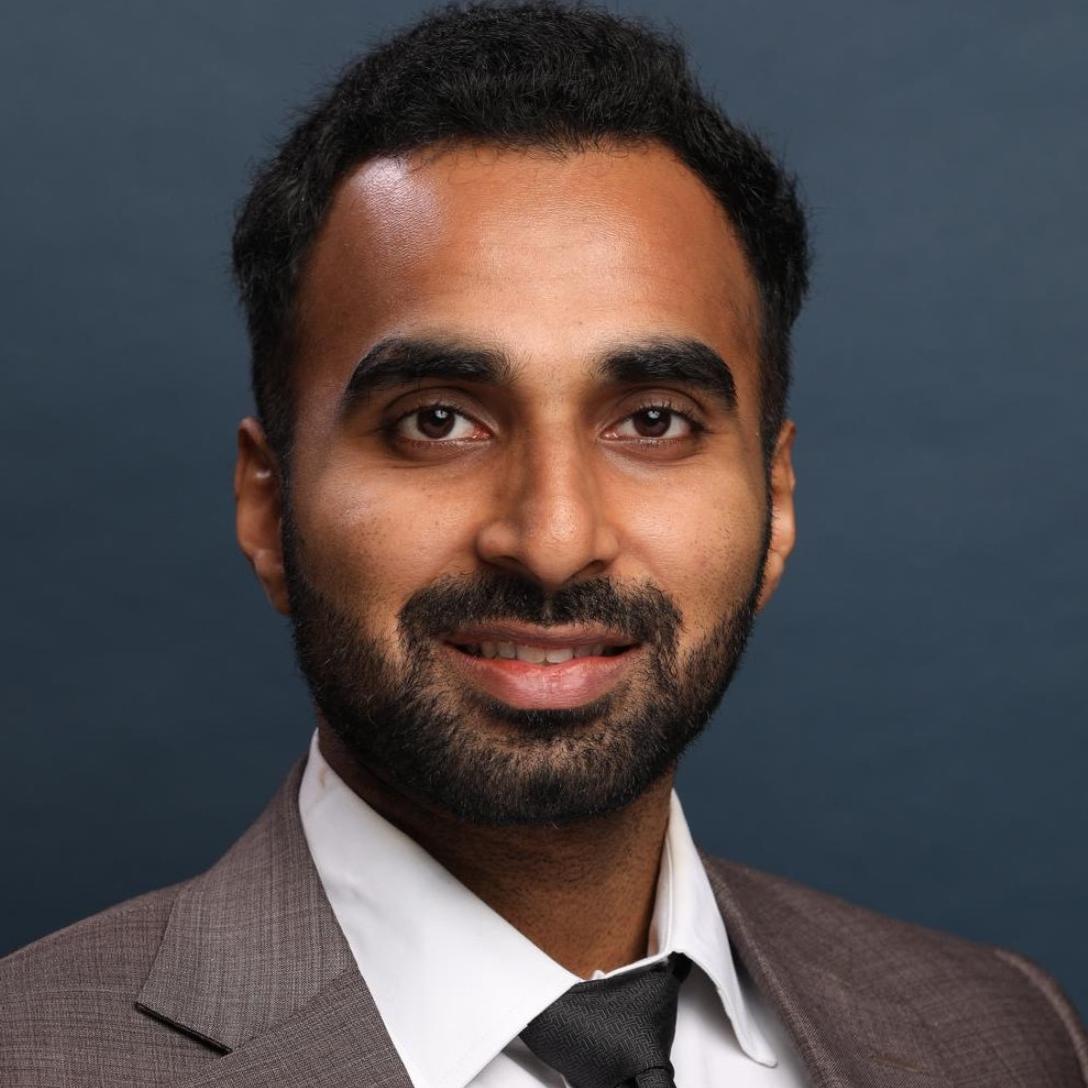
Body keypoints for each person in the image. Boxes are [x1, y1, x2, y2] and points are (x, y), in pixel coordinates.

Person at [2, 2, 1085, 1085]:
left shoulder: (1002, 1036)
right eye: (437, 420)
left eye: (652, 420)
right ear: (265, 503)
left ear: (775, 497)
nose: (554, 540)